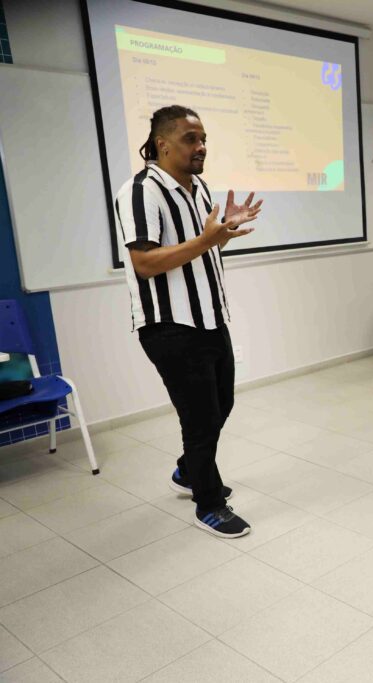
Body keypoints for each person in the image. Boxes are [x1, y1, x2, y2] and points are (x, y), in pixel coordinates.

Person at [117, 105, 261, 539]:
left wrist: (224, 233)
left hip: (211, 318)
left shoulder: (198, 188)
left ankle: (187, 471)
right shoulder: (141, 191)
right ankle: (209, 503)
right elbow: (144, 263)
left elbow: (198, 251)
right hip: (169, 325)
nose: (201, 148)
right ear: (162, 144)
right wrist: (207, 239)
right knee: (199, 419)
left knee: (222, 405)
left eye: (202, 140)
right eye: (190, 139)